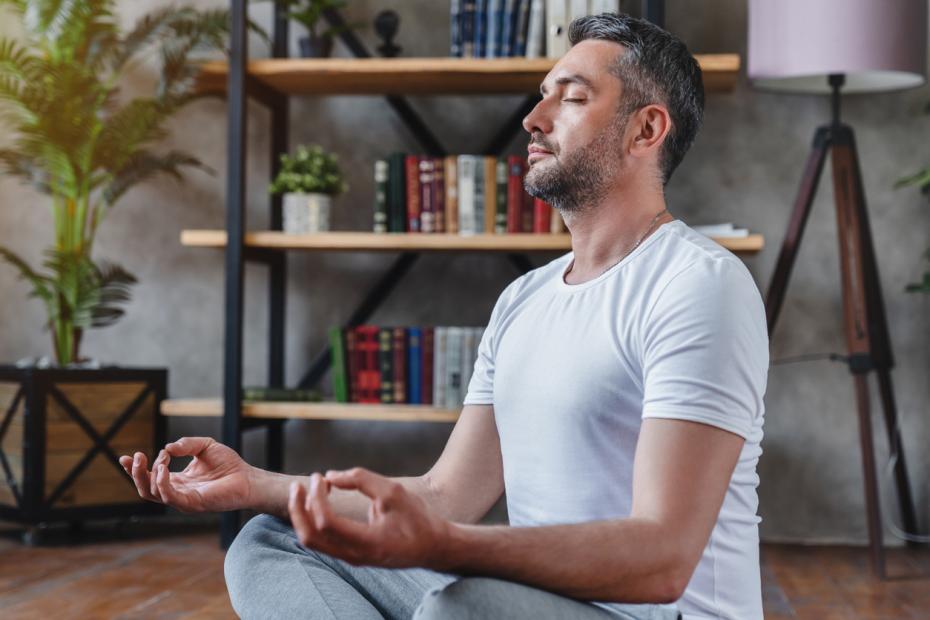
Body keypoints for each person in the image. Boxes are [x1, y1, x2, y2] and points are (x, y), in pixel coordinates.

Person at [120, 12, 768, 620]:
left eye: (569, 97)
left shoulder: (696, 285)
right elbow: (444, 497)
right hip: (535, 601)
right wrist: (255, 483)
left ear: (646, 130)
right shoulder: (525, 300)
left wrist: (444, 547)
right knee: (273, 538)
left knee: (463, 606)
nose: (533, 119)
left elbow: (662, 559)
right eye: (541, 95)